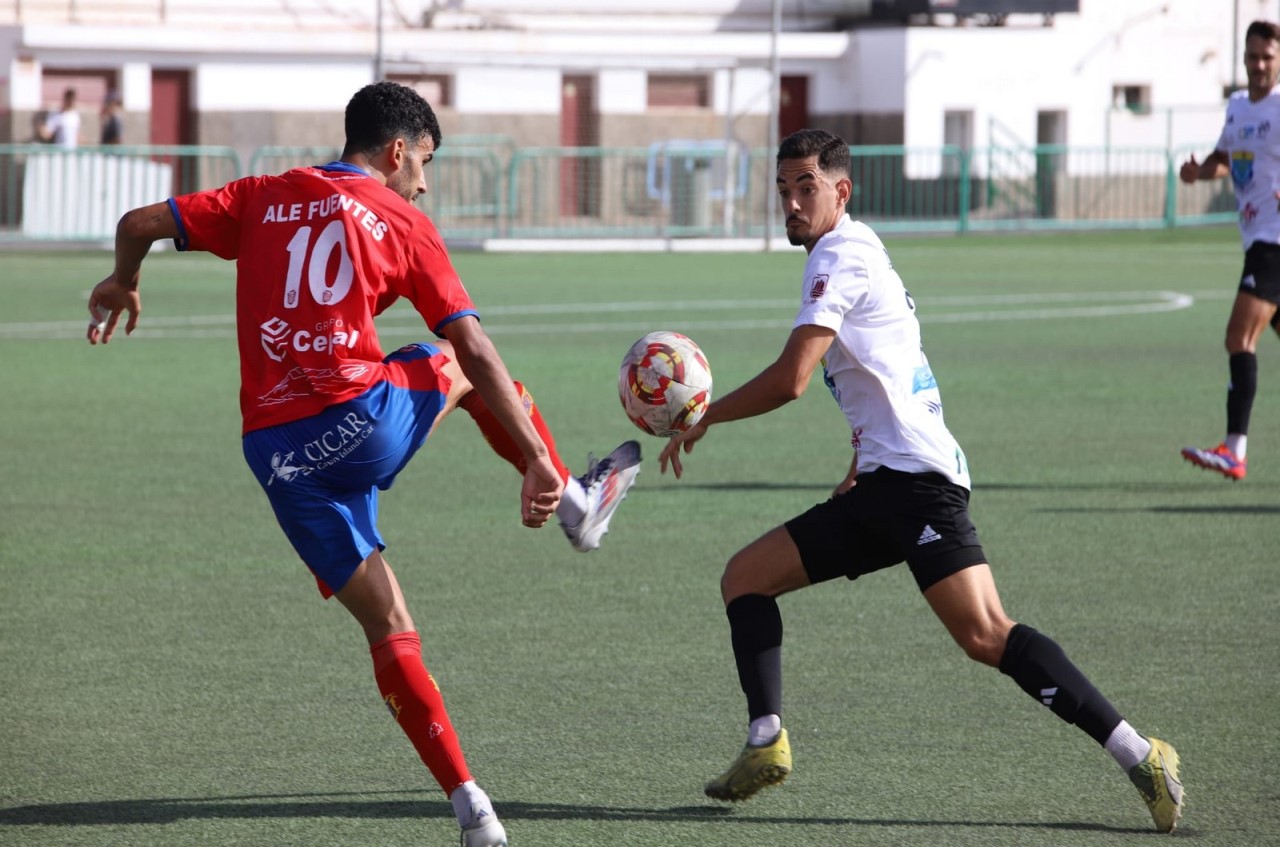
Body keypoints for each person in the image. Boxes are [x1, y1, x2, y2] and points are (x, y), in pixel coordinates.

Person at [85, 80, 641, 847]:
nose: (424, 181)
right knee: (455, 361)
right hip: (360, 422)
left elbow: (138, 221)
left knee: (390, 628)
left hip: (279, 459)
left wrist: (125, 278)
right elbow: (475, 349)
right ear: (398, 149)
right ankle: (574, 503)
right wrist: (537, 458)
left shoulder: (262, 192)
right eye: (425, 163)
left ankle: (472, 808)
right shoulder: (400, 217)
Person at [658, 128, 1184, 833]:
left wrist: (705, 417)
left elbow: (791, 380)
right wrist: (858, 459)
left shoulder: (841, 257)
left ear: (840, 191)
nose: (790, 200)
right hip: (882, 483)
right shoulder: (852, 250)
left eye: (804, 187)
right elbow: (883, 372)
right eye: (783, 188)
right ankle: (765, 739)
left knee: (986, 633)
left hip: (917, 486)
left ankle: (1139, 753)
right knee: (745, 577)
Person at [1178, 19, 1280, 481]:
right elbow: (1226, 159)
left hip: (1274, 243)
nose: (1259, 65)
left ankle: (1234, 449)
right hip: (1256, 238)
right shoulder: (1238, 107)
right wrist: (1200, 172)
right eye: (1253, 56)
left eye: (1267, 57)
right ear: (1243, 58)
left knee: (1239, 338)